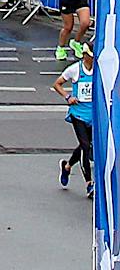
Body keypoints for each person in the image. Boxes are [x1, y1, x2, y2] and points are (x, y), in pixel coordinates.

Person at [57, 43, 96, 196]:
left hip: (93, 115)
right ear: (85, 55)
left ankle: (67, 166)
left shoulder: (98, 70)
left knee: (84, 145)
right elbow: (57, 83)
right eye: (90, 57)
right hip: (78, 114)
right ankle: (89, 183)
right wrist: (68, 97)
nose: (92, 60)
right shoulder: (75, 69)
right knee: (86, 147)